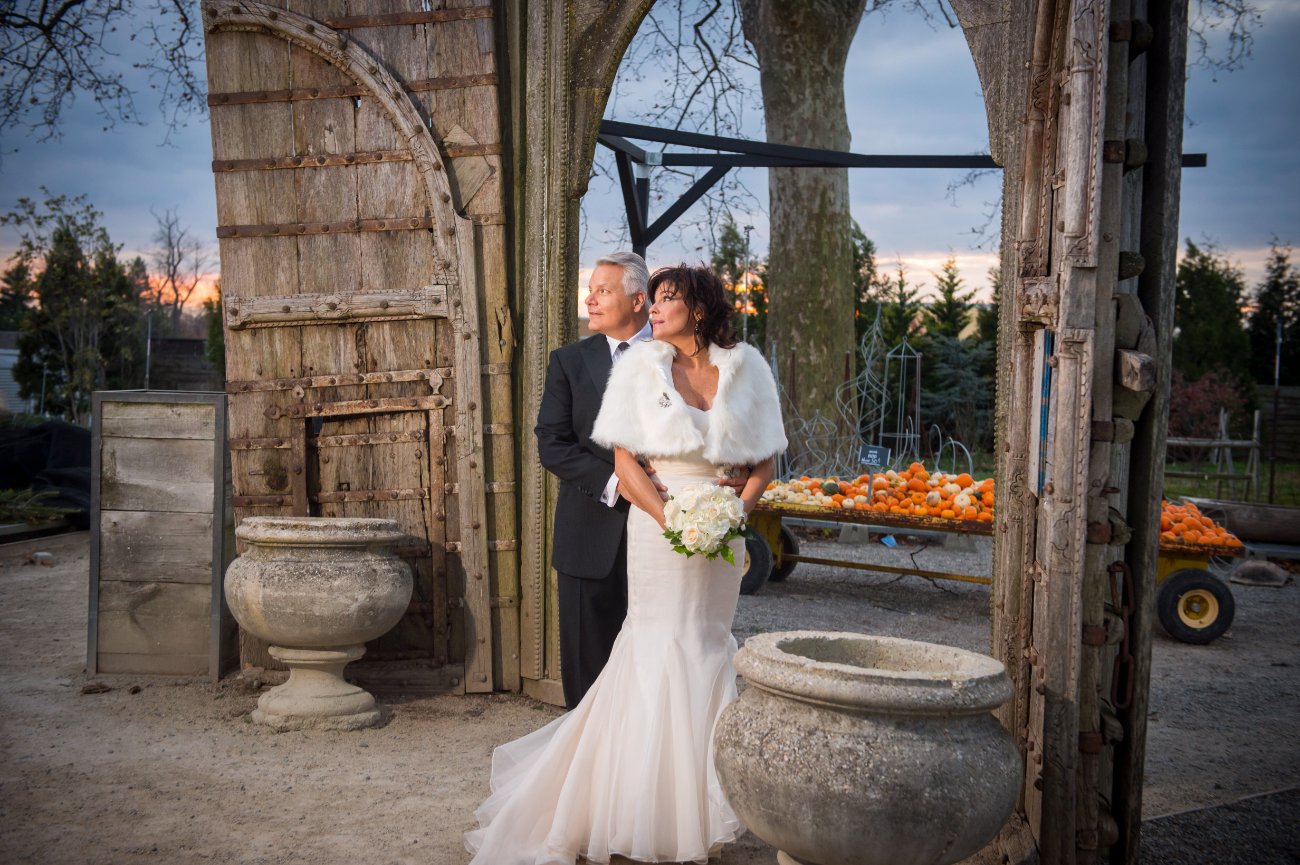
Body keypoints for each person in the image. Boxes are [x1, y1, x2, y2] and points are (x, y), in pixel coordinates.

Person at [466, 264, 786, 865]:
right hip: (659, 530)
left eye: (667, 300)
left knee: (707, 649)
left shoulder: (746, 368)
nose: (654, 310)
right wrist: (673, 521)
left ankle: (695, 814)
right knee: (655, 649)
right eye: (653, 299)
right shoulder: (639, 369)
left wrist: (734, 514)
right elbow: (624, 462)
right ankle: (630, 809)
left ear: (699, 309)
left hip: (723, 538)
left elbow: (767, 458)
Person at [534, 251, 655, 709]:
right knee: (587, 669)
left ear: (638, 300)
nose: (590, 300)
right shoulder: (568, 361)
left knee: (653, 661)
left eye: (603, 291)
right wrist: (618, 484)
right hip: (588, 533)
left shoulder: (677, 356)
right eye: (591, 290)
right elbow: (552, 443)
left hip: (664, 535)